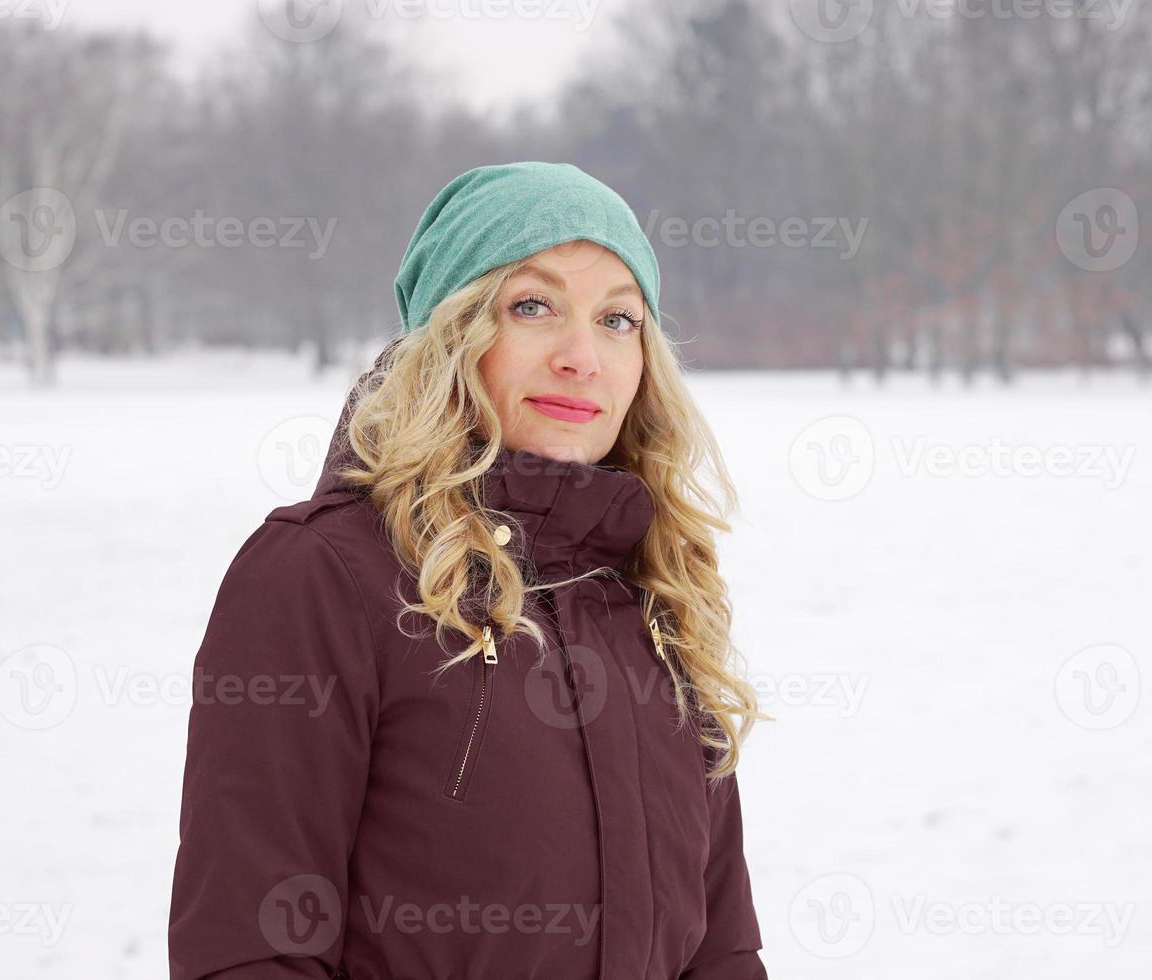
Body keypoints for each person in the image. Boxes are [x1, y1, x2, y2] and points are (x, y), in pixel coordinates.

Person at [168, 161, 770, 979]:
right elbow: (250, 949)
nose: (581, 357)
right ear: (450, 337)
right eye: (532, 306)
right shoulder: (321, 577)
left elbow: (721, 951)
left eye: (618, 319)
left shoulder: (656, 593)